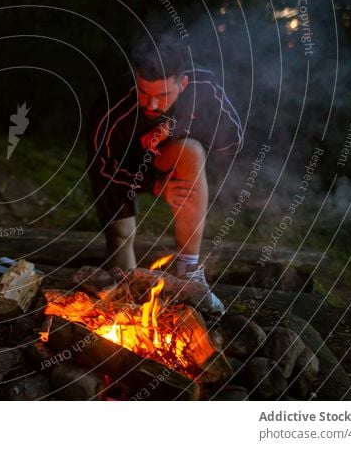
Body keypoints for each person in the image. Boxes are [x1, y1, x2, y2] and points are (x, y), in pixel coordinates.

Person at [87, 32, 243, 313]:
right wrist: (155, 186)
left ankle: (189, 273)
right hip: (120, 166)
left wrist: (176, 127)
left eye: (163, 95)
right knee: (122, 237)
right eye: (145, 93)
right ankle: (127, 307)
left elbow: (234, 138)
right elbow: (101, 166)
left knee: (192, 152)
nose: (152, 104)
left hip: (163, 153)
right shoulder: (112, 103)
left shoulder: (203, 86)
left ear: (182, 84)